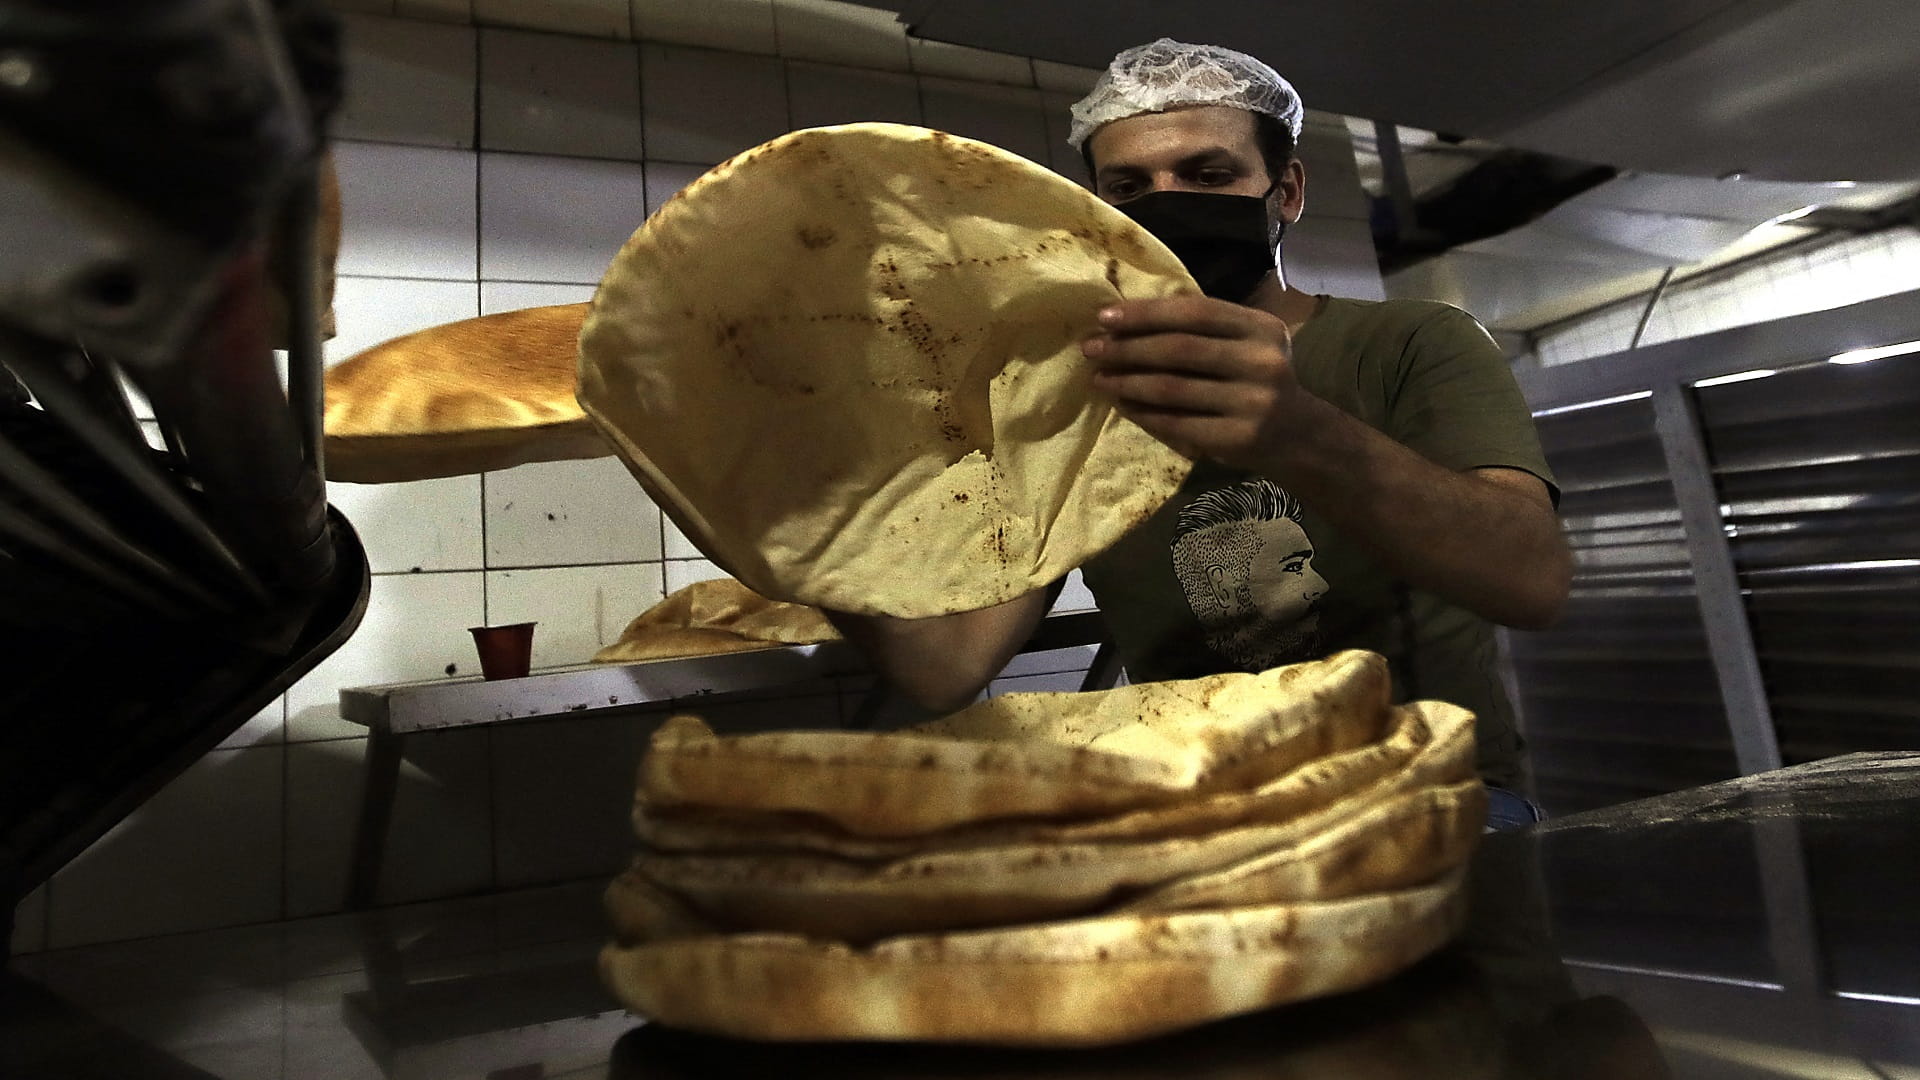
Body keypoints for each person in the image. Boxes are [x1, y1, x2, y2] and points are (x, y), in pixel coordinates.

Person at [828, 39, 1570, 827]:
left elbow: (1530, 580)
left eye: (1208, 175)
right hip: (1209, 823)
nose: (1166, 203)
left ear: (1287, 191)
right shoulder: (1069, 404)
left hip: (1432, 799)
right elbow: (948, 663)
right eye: (1128, 188)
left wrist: (1298, 432)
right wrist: (795, 515)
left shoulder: (1410, 343)